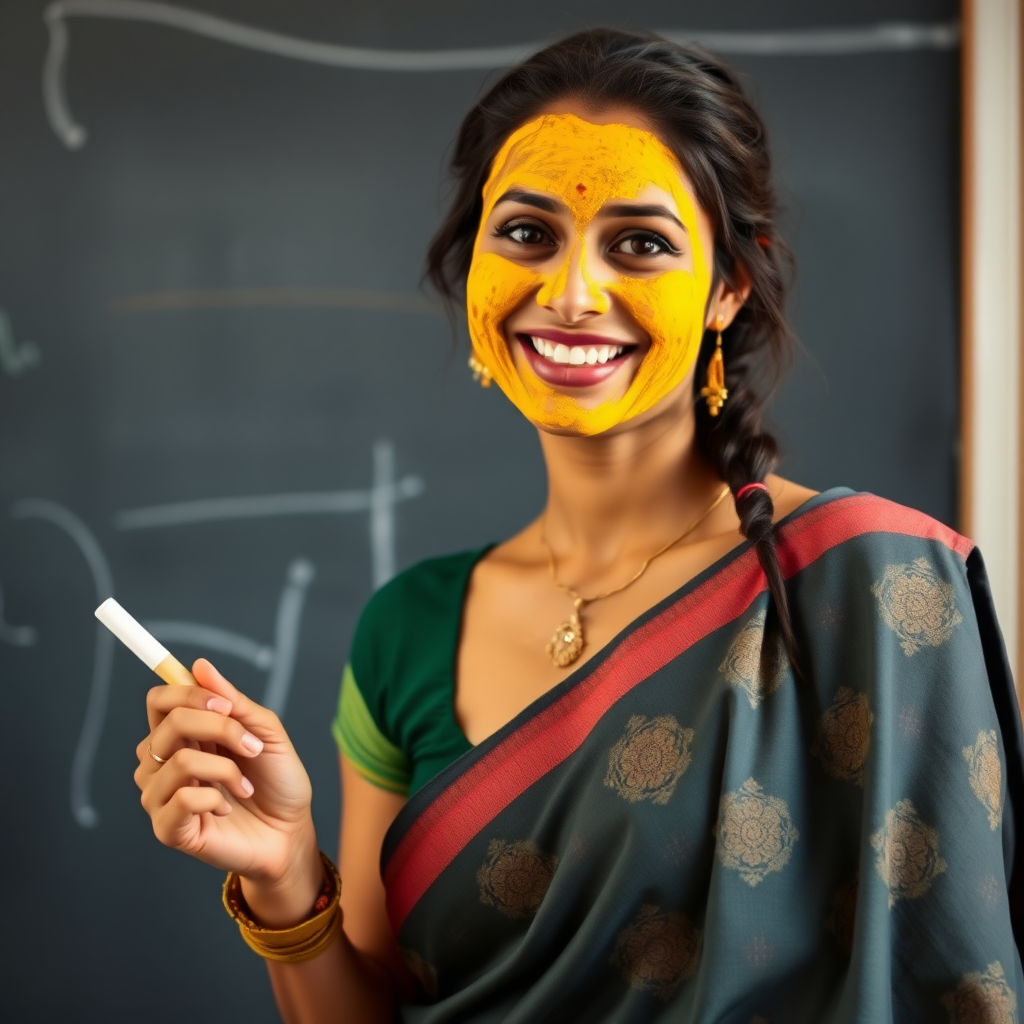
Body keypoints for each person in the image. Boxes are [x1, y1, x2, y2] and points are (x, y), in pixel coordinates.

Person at [134, 28, 1024, 1023]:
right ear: (473, 264)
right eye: (526, 233)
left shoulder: (869, 583)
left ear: (730, 284)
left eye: (638, 243)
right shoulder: (408, 628)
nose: (568, 293)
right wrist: (285, 873)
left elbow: (955, 986)